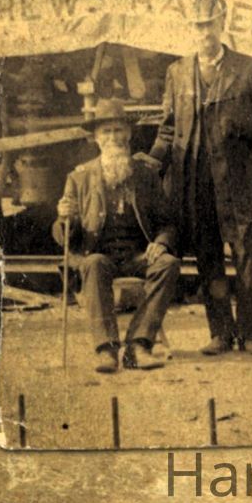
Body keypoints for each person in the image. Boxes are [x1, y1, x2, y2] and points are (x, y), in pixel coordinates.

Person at [148, 0, 252, 356]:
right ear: (189, 28)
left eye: (209, 24)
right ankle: (220, 333)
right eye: (197, 26)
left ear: (222, 23)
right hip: (195, 183)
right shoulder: (177, 72)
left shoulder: (250, 70)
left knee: (247, 255)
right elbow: (167, 128)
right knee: (207, 257)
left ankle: (251, 334)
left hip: (239, 181)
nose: (204, 32)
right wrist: (150, 164)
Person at [55, 97, 179, 374]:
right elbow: (66, 239)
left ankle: (138, 345)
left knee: (168, 264)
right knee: (94, 263)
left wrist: (160, 243)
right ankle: (107, 350)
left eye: (118, 130)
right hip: (99, 254)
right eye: (106, 132)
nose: (113, 137)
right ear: (96, 138)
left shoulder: (145, 175)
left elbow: (167, 223)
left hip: (138, 255)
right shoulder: (79, 177)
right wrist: (66, 218)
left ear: (129, 134)